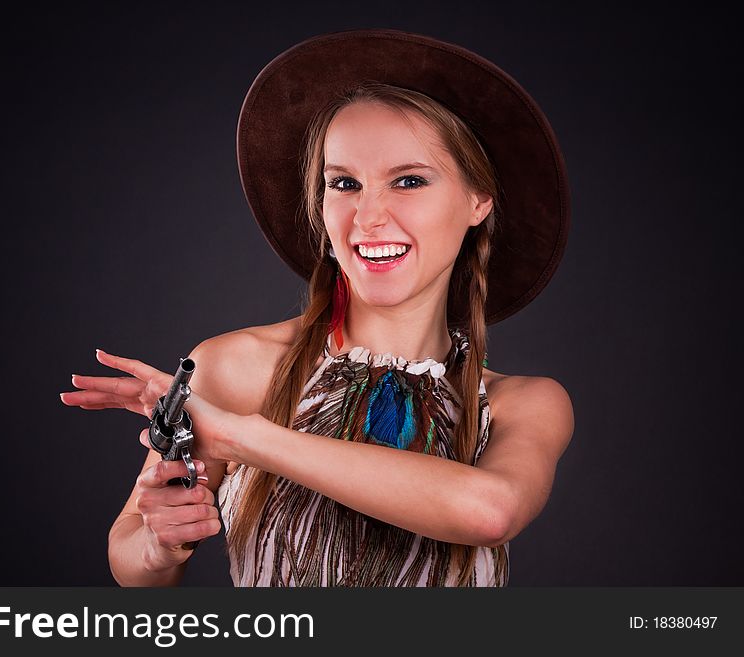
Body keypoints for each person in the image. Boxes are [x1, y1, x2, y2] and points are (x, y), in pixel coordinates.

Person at [60, 29, 575, 587]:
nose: (369, 216)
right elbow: (132, 558)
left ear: (478, 201)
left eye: (408, 181)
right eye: (345, 183)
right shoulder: (236, 367)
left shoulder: (522, 404)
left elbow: (489, 512)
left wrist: (241, 438)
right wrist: (160, 545)